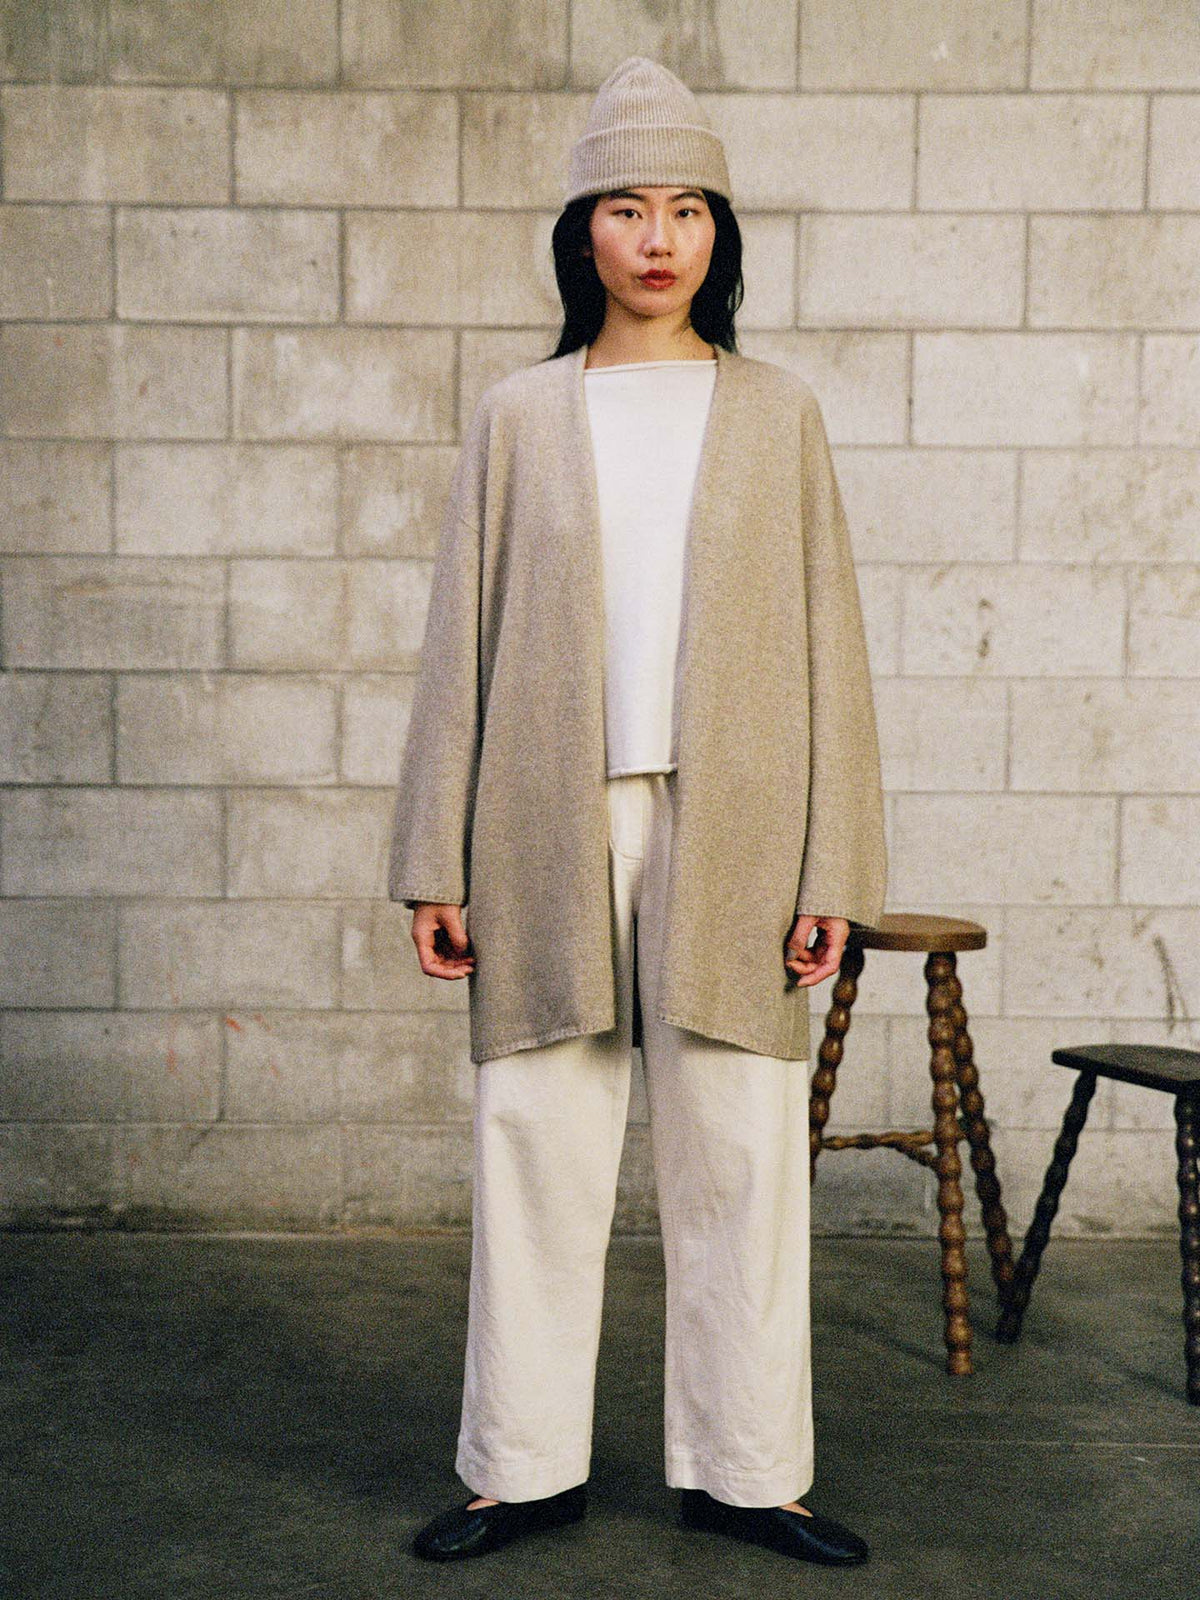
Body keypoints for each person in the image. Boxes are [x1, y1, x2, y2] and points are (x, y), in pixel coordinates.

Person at [388, 56, 888, 1567]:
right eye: (626, 208)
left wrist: (835, 867)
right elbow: (458, 639)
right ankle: (519, 1469)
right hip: (545, 818)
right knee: (534, 1137)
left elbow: (831, 650)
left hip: (731, 825)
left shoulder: (778, 413)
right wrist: (432, 858)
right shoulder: (522, 415)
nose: (657, 238)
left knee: (739, 1143)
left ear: (719, 235)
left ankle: (748, 1473)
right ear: (582, 234)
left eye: (685, 210)